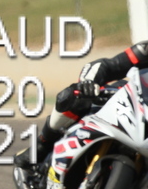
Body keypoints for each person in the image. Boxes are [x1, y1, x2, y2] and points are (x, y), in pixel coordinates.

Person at [14, 42, 148, 169]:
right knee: (74, 96)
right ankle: (42, 145)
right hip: (125, 102)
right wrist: (89, 82)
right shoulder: (144, 49)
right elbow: (107, 65)